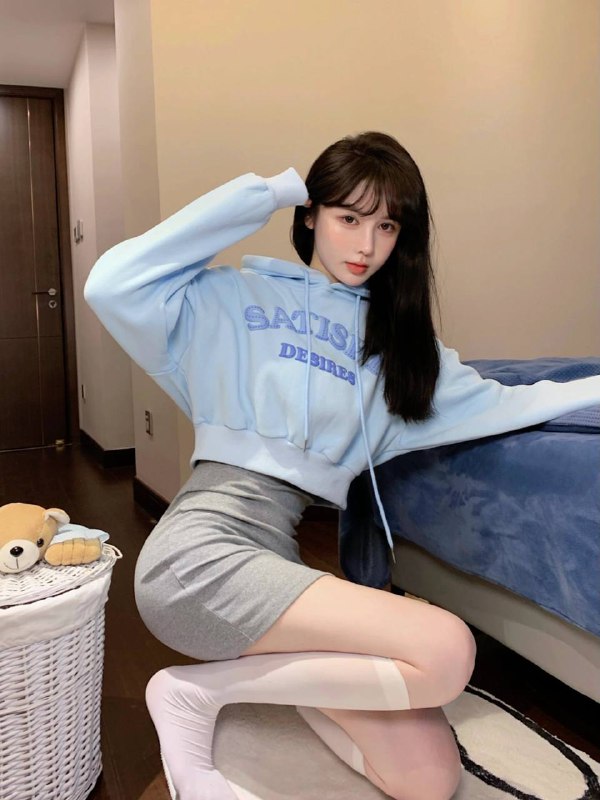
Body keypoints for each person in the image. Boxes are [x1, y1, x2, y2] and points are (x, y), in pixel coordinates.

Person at [84, 131, 600, 800]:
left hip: (280, 556)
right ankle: (194, 695)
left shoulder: (403, 353)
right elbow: (112, 283)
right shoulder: (232, 299)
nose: (366, 245)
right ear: (311, 216)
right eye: (348, 218)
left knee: (427, 779)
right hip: (197, 554)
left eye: (387, 226)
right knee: (447, 649)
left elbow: (510, 403)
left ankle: (232, 685)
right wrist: (271, 191)